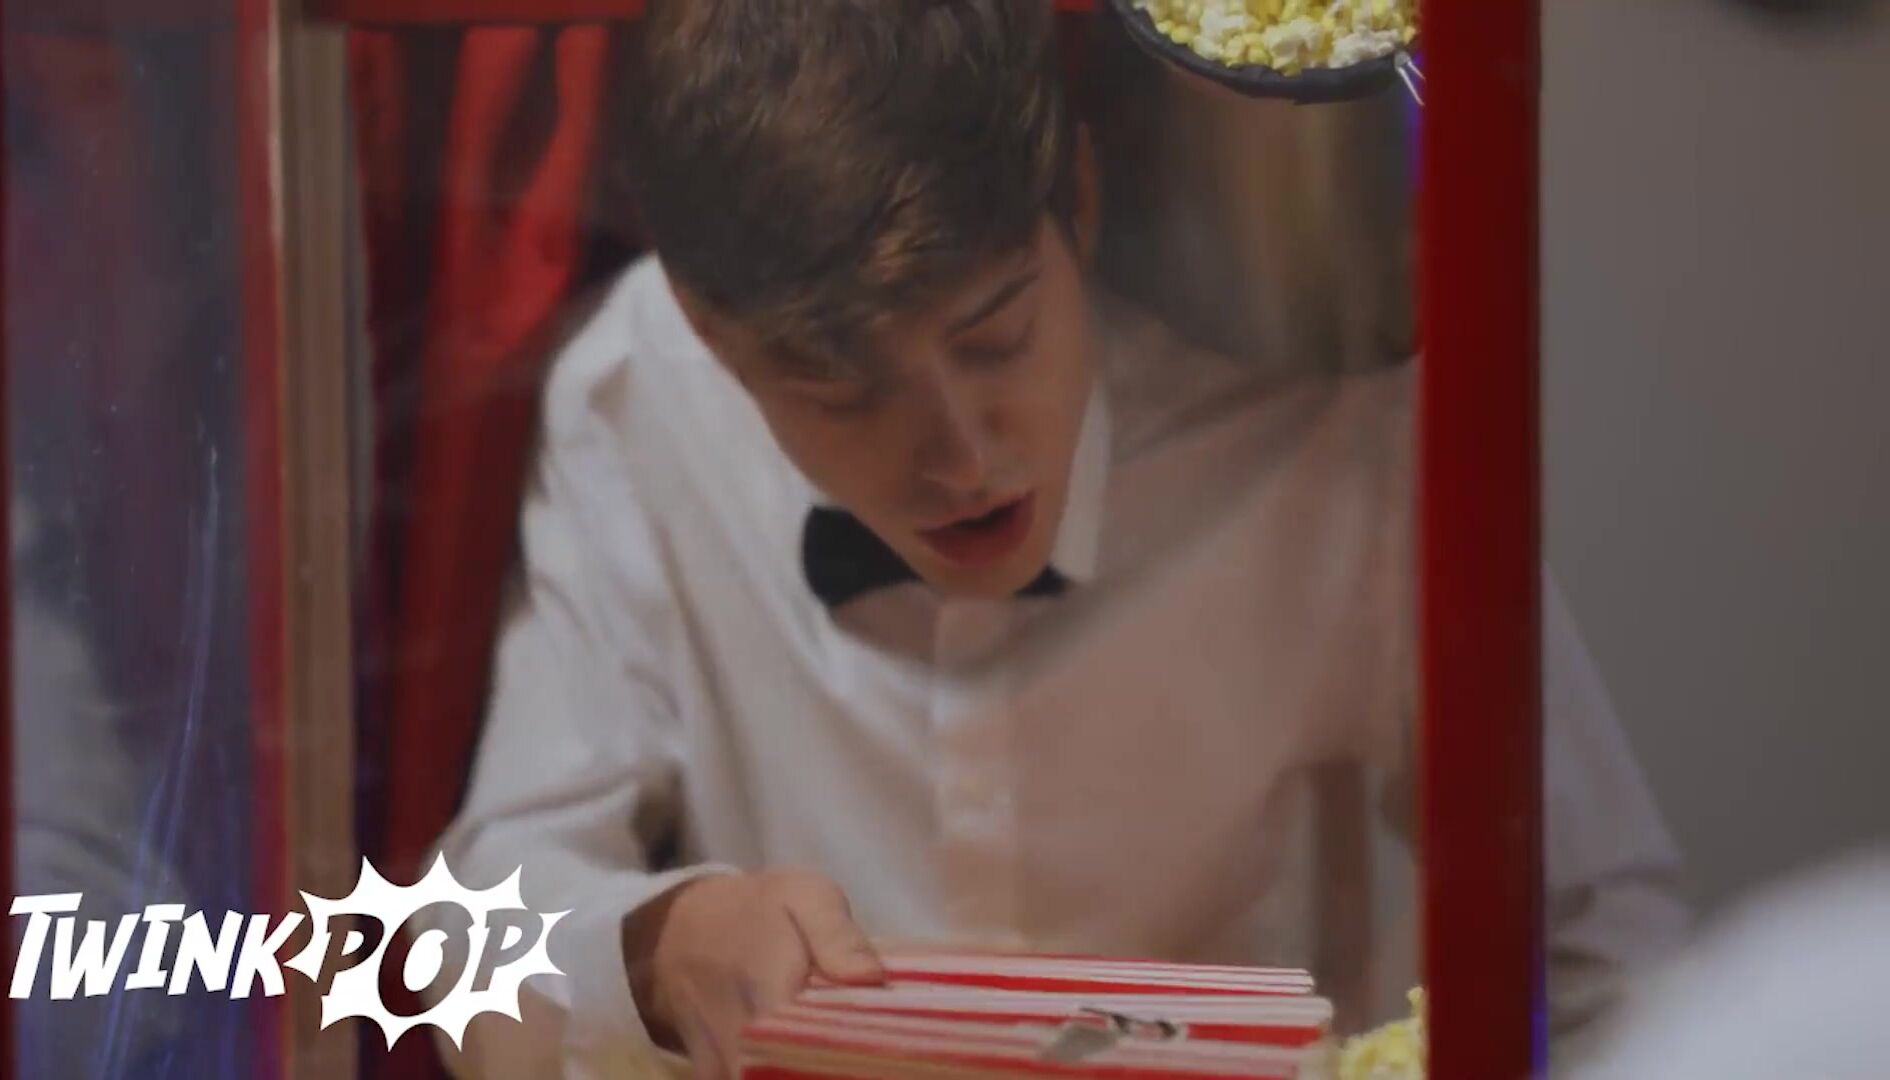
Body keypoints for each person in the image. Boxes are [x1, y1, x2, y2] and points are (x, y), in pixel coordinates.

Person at [428, 2, 1688, 1077]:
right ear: (709, 333)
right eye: (844, 394)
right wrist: (659, 950)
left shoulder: (1323, 427)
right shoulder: (631, 399)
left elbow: (1609, 937)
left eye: (997, 336)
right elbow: (459, 949)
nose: (962, 457)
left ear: (1074, 197)